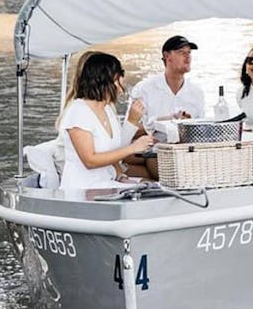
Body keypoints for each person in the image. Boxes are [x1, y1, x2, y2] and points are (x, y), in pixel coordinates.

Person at [58, 51, 154, 191]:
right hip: (82, 190)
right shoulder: (78, 111)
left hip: (107, 184)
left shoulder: (107, 109)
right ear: (109, 78)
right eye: (120, 73)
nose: (123, 79)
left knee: (154, 188)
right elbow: (89, 161)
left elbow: (111, 152)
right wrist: (133, 148)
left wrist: (121, 176)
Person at [130, 34, 206, 121]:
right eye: (181, 52)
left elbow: (202, 129)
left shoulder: (197, 93)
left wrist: (189, 125)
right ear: (167, 56)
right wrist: (165, 121)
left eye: (189, 52)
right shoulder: (143, 89)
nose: (188, 56)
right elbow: (132, 128)